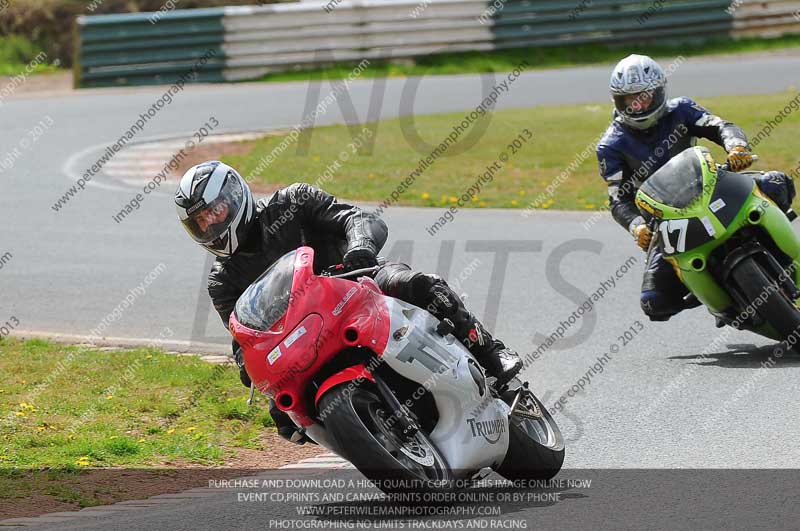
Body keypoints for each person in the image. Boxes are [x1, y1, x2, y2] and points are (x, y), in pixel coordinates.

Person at [175, 160, 523, 443]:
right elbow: (243, 334)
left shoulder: (293, 202)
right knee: (284, 418)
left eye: (214, 212)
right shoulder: (223, 281)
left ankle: (491, 353)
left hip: (360, 285)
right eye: (200, 222)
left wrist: (360, 247)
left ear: (235, 196)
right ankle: (374, 439)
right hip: (303, 338)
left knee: (418, 285)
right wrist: (245, 363)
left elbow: (358, 219)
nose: (210, 225)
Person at [597, 54, 795, 321]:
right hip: (664, 218)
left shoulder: (681, 109)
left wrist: (736, 146)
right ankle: (716, 295)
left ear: (659, 92)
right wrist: (637, 226)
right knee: (655, 303)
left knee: (777, 182)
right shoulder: (611, 145)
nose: (638, 105)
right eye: (629, 100)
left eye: (644, 97)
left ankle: (784, 251)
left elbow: (722, 126)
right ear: (617, 101)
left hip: (709, 185)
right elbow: (618, 199)